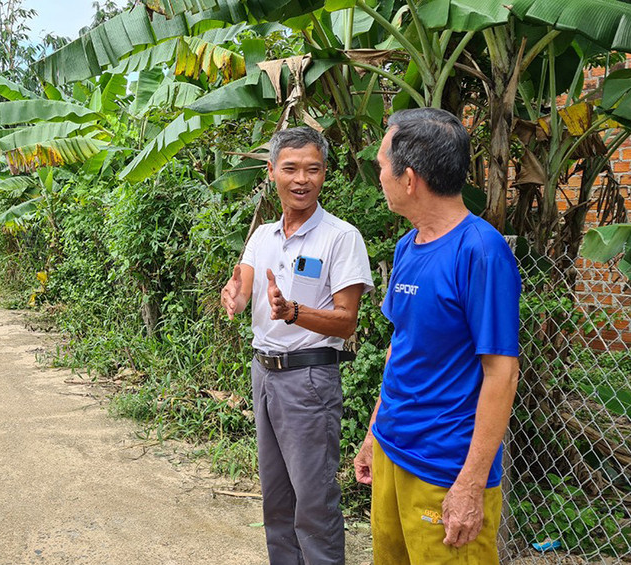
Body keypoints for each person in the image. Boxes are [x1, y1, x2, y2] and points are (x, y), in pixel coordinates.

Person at [353, 108, 521, 564]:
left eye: (382, 166)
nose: (379, 176)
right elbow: (402, 347)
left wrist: (470, 484)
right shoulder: (407, 247)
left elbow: (502, 374)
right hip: (392, 450)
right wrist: (373, 434)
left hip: (445, 471)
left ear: (409, 179)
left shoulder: (482, 252)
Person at [221, 126, 374, 564]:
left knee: (313, 501)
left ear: (325, 173)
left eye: (313, 169)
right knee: (276, 498)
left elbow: (346, 322)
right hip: (264, 373)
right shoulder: (262, 236)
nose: (301, 179)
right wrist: (232, 296)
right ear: (271, 171)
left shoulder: (341, 237)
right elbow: (241, 289)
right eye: (290, 169)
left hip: (309, 379)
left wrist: (293, 312)